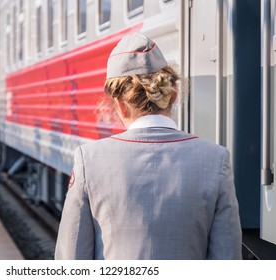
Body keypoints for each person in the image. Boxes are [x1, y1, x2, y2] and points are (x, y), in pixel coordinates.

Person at [55, 32, 242, 259]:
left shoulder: (89, 160)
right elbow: (227, 260)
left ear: (120, 106)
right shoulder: (216, 160)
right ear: (172, 95)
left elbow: (71, 259)